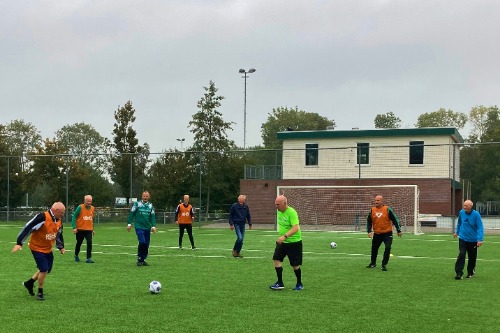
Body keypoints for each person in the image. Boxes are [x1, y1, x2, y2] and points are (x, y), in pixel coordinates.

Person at [12, 202, 66, 301]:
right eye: (62, 212)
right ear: (56, 211)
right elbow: (28, 227)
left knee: (47, 269)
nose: (63, 214)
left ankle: (29, 283)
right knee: (44, 269)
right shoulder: (42, 217)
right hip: (37, 248)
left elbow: (58, 234)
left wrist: (61, 247)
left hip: (48, 249)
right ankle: (40, 292)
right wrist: (19, 243)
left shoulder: (59, 221)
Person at [269, 195, 303, 291]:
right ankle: (280, 283)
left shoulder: (292, 212)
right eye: (275, 204)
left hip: (294, 242)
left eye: (278, 204)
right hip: (282, 243)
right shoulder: (279, 211)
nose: (276, 206)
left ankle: (299, 283)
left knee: (295, 265)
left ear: (285, 204)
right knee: (276, 259)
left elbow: (296, 228)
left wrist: (284, 236)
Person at [366, 195, 402, 271]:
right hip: (377, 234)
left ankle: (384, 264)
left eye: (378, 200)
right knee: (374, 249)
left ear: (382, 201)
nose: (376, 202)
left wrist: (399, 230)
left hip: (387, 233)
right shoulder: (372, 210)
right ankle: (373, 263)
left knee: (388, 247)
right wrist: (369, 231)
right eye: (375, 200)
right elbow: (369, 221)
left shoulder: (387, 209)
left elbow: (395, 219)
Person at [453, 199, 484, 280]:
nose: (464, 207)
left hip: (473, 240)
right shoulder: (461, 212)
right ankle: (459, 273)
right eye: (464, 205)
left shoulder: (476, 215)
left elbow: (480, 227)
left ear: (471, 206)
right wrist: (457, 232)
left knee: (472, 257)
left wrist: (479, 239)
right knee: (461, 254)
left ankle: (470, 272)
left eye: (466, 206)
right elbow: (459, 223)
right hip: (463, 238)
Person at [127, 191, 156, 266]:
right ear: (142, 197)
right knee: (142, 242)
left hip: (147, 227)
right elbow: (131, 213)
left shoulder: (150, 206)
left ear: (148, 197)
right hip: (139, 227)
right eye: (144, 196)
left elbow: (152, 217)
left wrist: (153, 226)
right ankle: (140, 258)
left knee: (146, 244)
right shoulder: (137, 204)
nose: (145, 198)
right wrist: (129, 224)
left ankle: (142, 259)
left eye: (147, 196)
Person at [72, 194, 95, 263]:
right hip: (80, 229)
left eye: (90, 201)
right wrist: (74, 227)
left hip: (89, 230)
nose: (89, 203)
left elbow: (91, 219)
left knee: (89, 242)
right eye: (88, 201)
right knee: (79, 243)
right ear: (84, 201)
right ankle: (76, 255)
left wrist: (92, 229)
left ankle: (88, 258)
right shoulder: (80, 207)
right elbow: (74, 217)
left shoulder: (93, 208)